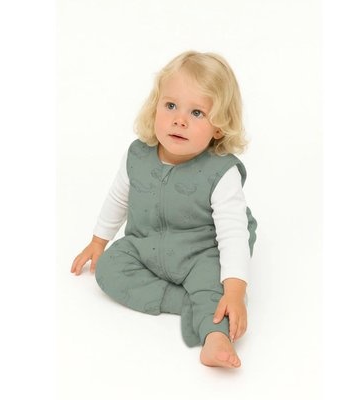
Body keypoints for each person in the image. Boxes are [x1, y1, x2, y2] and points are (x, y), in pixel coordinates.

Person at [71, 51, 257, 368]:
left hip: (202, 252)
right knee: (109, 269)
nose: (179, 120)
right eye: (170, 106)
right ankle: (188, 303)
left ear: (219, 127)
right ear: (155, 106)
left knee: (217, 287)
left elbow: (233, 234)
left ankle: (215, 337)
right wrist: (99, 241)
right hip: (146, 244)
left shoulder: (221, 172)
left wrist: (235, 290)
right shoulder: (138, 155)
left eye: (197, 112)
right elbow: (118, 198)